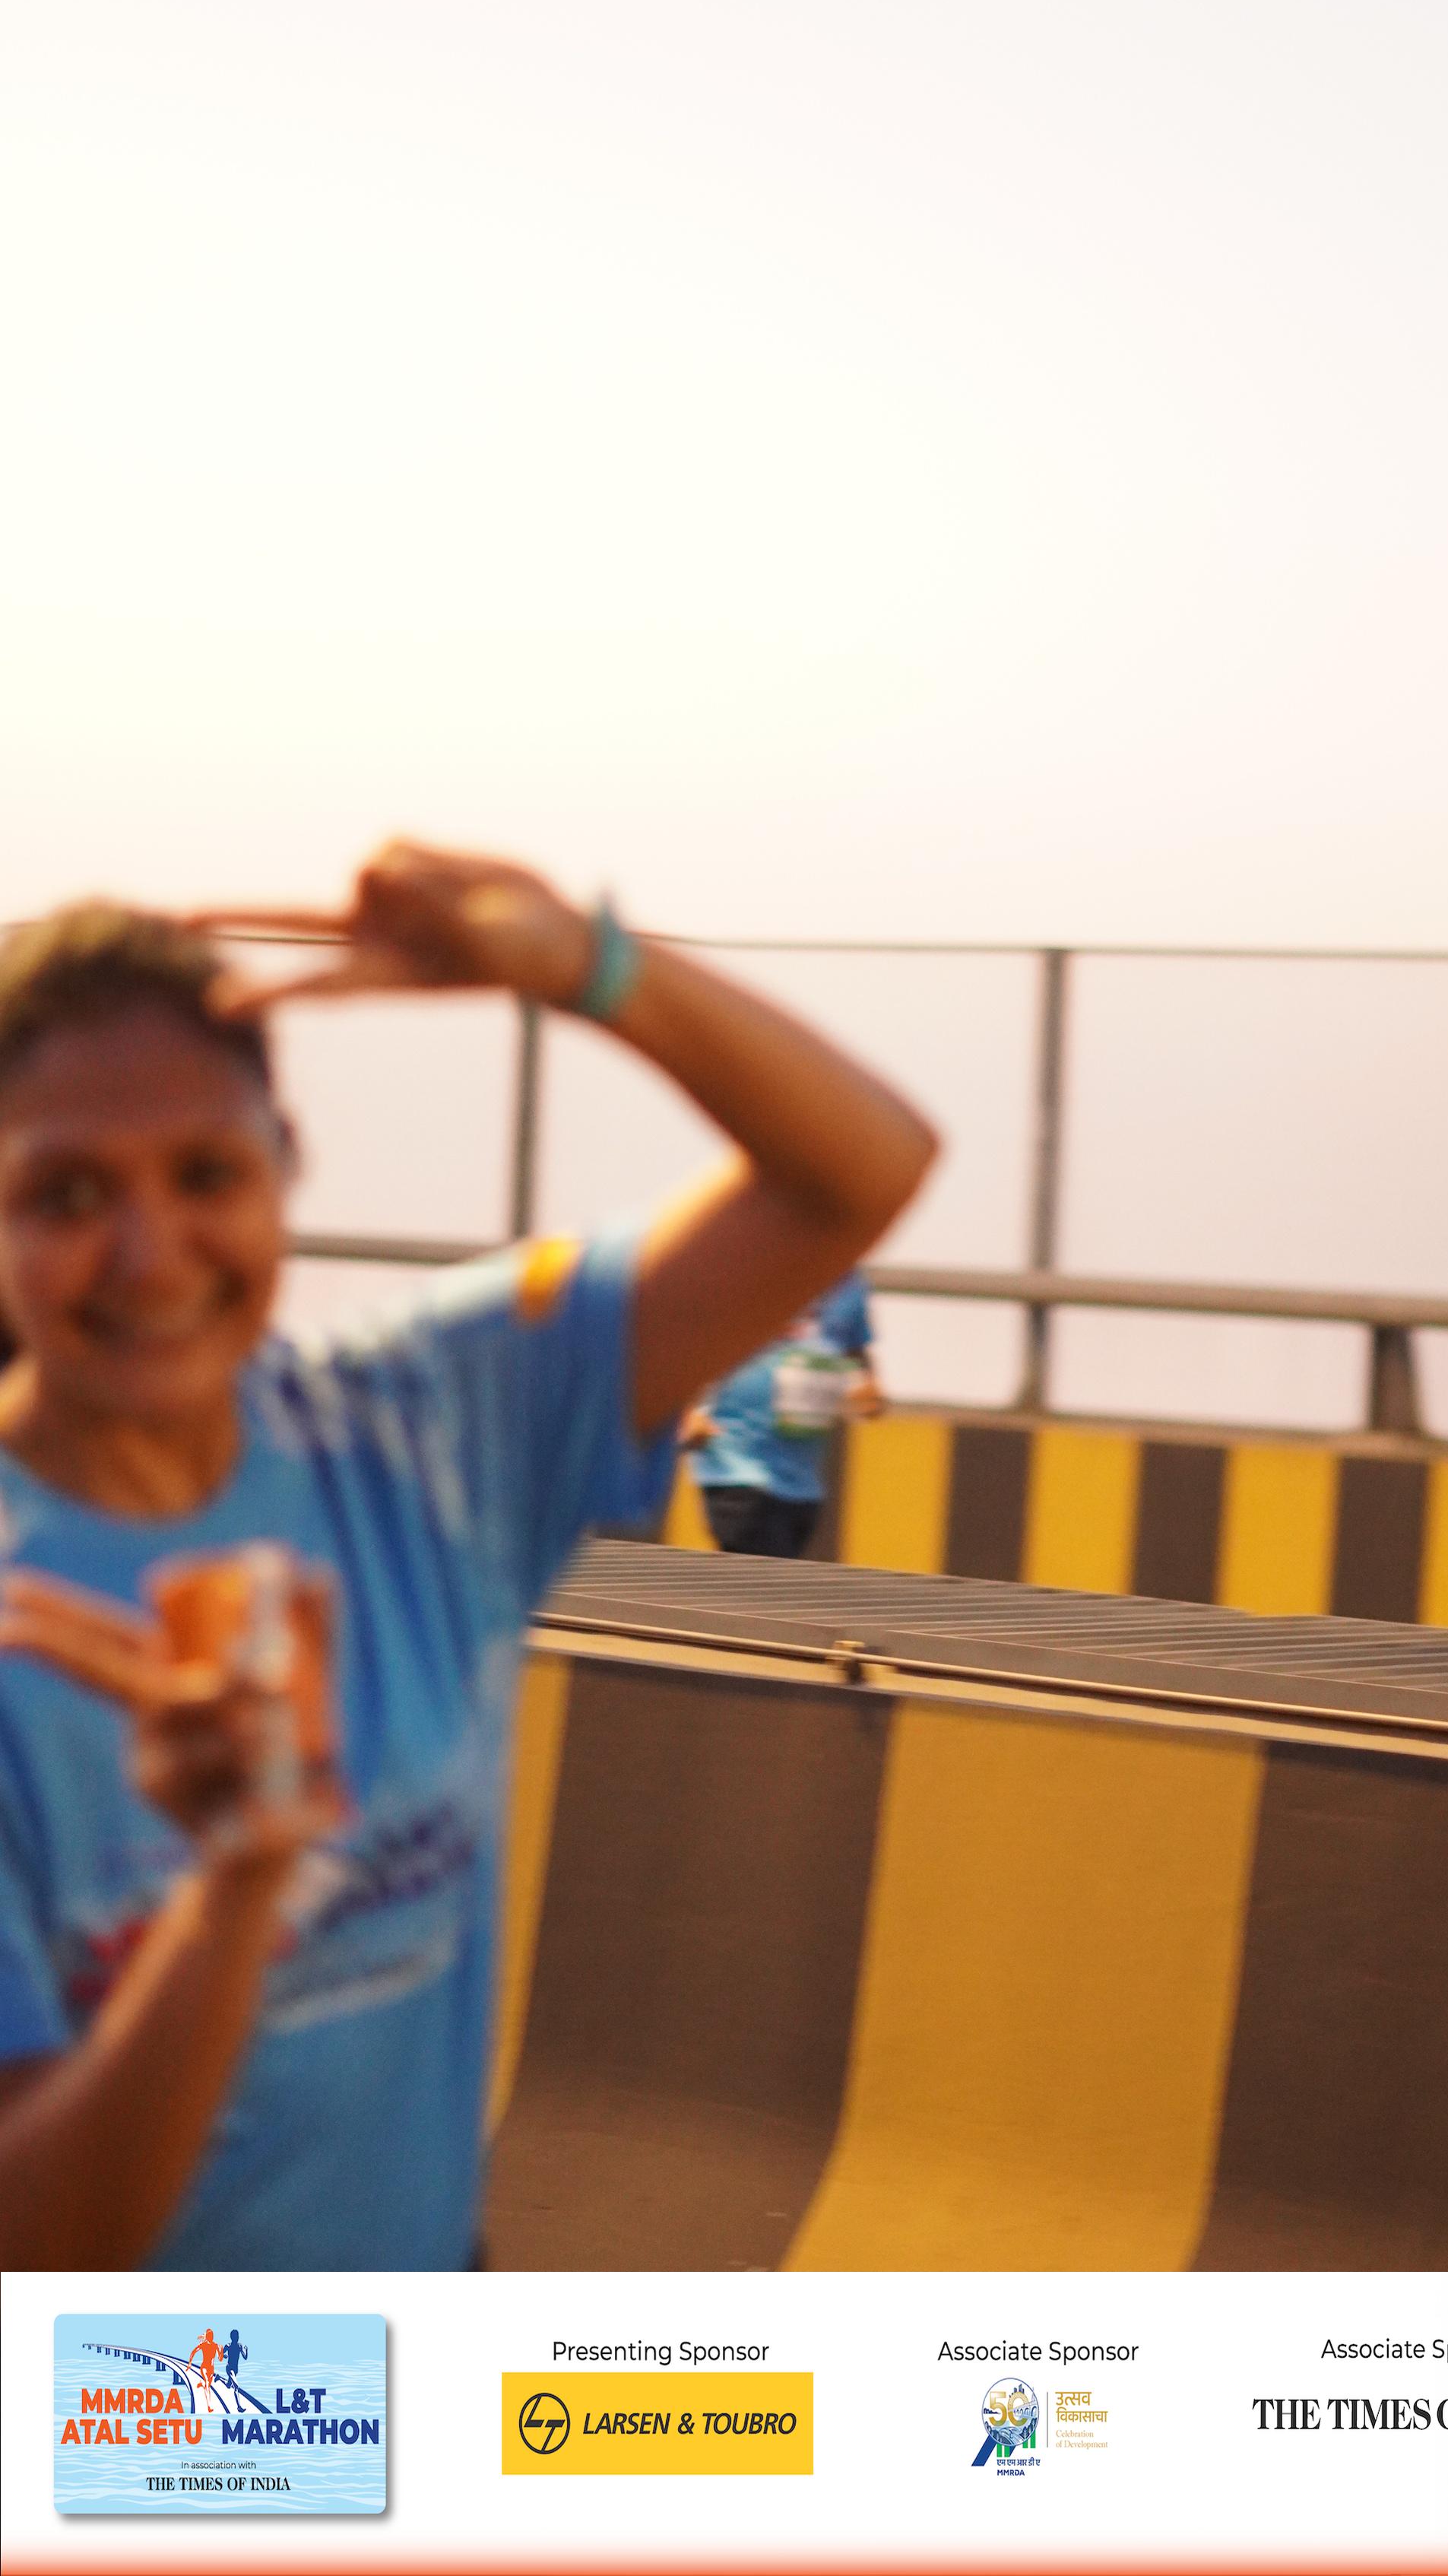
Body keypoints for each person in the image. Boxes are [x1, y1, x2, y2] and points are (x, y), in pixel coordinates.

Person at [0, 842, 936, 2269]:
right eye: (68, 1195)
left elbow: (857, 1173)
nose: (151, 1254)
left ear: (285, 1166)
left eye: (206, 1173)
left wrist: (588, 968)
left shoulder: (428, 1425)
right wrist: (234, 1891)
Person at [683, 1268, 882, 1556]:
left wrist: (867, 1385)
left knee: (774, 1578)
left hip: (803, 1482)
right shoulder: (744, 1264)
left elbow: (853, 1351)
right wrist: (687, 1412)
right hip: (737, 1467)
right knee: (758, 1577)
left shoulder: (849, 1284)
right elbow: (689, 1338)